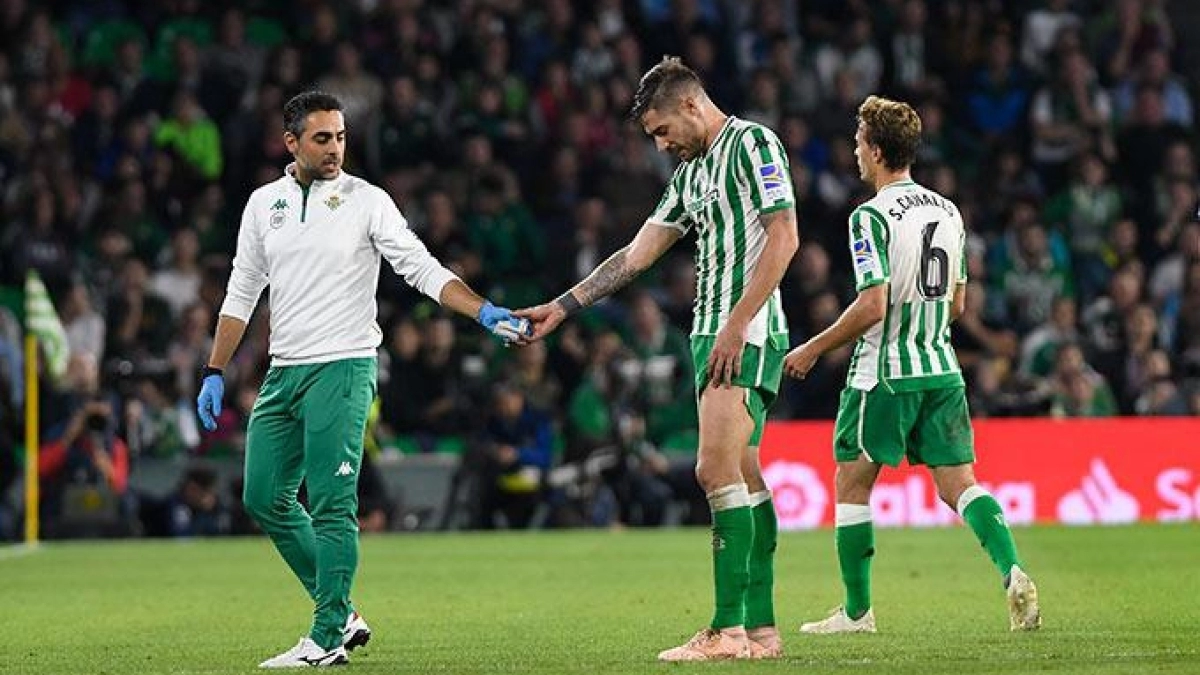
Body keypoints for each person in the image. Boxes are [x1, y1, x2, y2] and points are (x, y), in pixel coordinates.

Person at [195, 91, 527, 668]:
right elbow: (241, 293)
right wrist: (214, 370)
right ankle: (342, 610)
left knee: (330, 501)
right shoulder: (261, 205)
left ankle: (326, 637)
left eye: (341, 137)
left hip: (344, 367)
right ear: (291, 142)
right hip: (283, 371)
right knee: (264, 497)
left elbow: (421, 267)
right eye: (322, 138)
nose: (335, 149)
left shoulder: (366, 200)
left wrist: (482, 310)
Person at [518, 56, 799, 661]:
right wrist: (565, 306)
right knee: (744, 473)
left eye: (663, 130)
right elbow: (636, 255)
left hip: (741, 331)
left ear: (692, 105)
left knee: (711, 470)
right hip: (714, 332)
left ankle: (727, 631)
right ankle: (762, 630)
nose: (661, 143)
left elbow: (784, 235)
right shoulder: (690, 176)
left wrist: (739, 321)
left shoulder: (753, 144)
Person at [783, 95, 1041, 635]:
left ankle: (857, 613)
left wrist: (813, 347)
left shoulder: (868, 217)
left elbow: (874, 304)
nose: (855, 150)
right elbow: (957, 305)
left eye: (858, 142)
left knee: (852, 483)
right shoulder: (949, 211)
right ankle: (1012, 569)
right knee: (960, 485)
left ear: (875, 151)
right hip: (942, 369)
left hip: (884, 371)